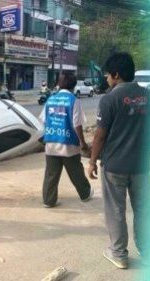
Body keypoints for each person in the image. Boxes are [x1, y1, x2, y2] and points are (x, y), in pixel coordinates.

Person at [88, 52, 150, 269]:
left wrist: (92, 161)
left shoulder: (109, 99)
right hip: (141, 166)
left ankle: (119, 254)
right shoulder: (149, 96)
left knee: (115, 210)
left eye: (108, 75)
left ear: (116, 75)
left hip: (115, 165)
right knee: (143, 209)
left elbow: (100, 135)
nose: (106, 79)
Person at [40, 73, 93, 208]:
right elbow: (77, 125)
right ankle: (85, 194)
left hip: (51, 143)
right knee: (76, 171)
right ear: (74, 85)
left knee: (51, 174)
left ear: (59, 83)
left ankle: (49, 200)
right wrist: (82, 143)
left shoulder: (51, 99)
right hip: (68, 144)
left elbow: (44, 120)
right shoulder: (74, 100)